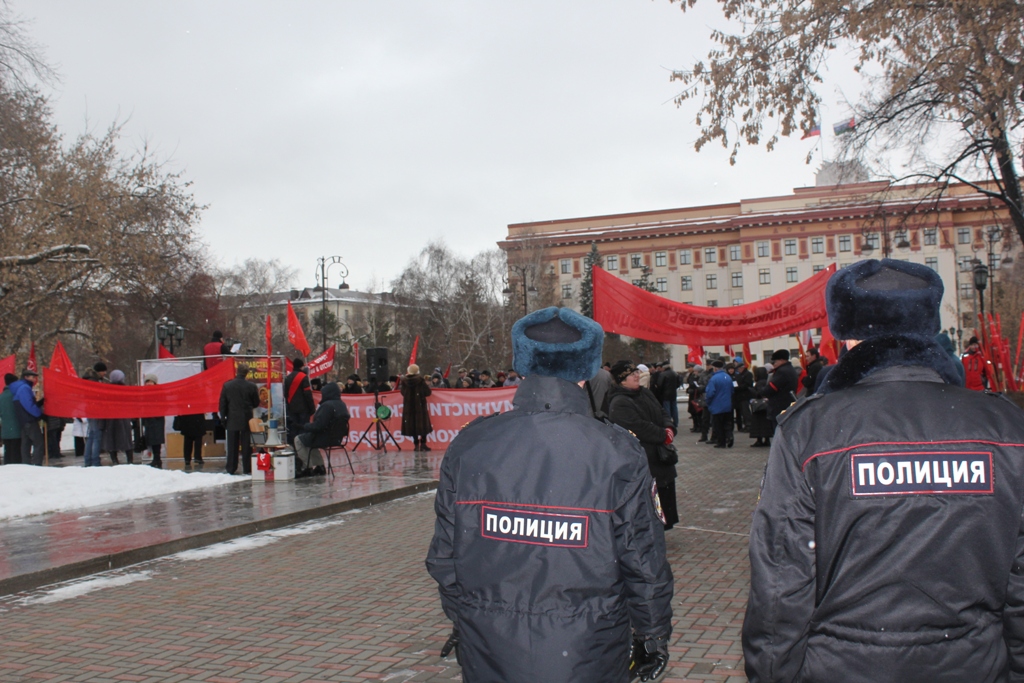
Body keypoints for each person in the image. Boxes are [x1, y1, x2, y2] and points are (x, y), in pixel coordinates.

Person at [740, 258, 1024, 683]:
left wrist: (773, 673)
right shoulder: (1005, 426)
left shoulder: (810, 429)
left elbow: (782, 577)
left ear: (849, 336)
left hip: (843, 664)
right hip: (975, 661)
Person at [426, 307, 674, 683]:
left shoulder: (471, 444)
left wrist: (467, 618)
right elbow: (642, 558)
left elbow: (446, 556)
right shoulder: (616, 449)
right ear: (585, 370)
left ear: (522, 365)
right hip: (589, 646)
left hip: (490, 644)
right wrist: (652, 634)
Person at [607, 358, 680, 530]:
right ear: (622, 379)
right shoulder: (619, 402)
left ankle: (661, 526)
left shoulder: (645, 393)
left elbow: (661, 411)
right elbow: (638, 427)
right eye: (632, 374)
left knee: (664, 496)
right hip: (643, 459)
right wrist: (663, 434)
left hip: (660, 457)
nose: (637, 376)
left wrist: (669, 428)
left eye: (636, 372)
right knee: (649, 498)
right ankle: (650, 530)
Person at [295, 381, 349, 476]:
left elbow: (318, 426)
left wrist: (305, 426)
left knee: (298, 440)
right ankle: (320, 466)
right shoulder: (342, 404)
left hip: (325, 437)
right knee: (311, 440)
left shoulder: (327, 406)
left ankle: (307, 467)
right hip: (337, 439)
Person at [219, 363, 260, 475]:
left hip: (232, 418)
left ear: (237, 371)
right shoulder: (251, 386)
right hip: (247, 418)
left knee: (232, 445)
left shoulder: (227, 385)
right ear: (246, 373)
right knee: (247, 445)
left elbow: (223, 403)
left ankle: (231, 468)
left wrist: (223, 417)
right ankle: (247, 467)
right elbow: (256, 403)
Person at [11, 369, 45, 465]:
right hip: (30, 420)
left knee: (26, 444)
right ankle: (37, 465)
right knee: (38, 443)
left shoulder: (20, 388)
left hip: (24, 421)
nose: (34, 379)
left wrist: (38, 404)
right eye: (32, 377)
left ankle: (26, 465)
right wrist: (39, 414)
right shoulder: (25, 388)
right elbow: (28, 405)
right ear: (26, 377)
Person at [763, 349, 799, 432]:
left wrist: (761, 392)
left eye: (775, 362)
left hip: (779, 406)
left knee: (779, 432)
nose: (774, 364)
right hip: (787, 404)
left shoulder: (782, 372)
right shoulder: (790, 369)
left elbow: (772, 387)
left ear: (782, 360)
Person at [400, 364, 433, 451]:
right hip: (420, 406)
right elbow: (428, 392)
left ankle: (415, 444)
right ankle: (423, 444)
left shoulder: (404, 381)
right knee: (422, 425)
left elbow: (402, 392)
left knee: (412, 425)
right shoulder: (420, 381)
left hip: (409, 406)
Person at [284, 358, 315, 446]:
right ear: (301, 366)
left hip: (292, 409)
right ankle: (303, 447)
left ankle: (294, 447)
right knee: (303, 428)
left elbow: (285, 394)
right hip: (303, 409)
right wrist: (312, 408)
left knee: (294, 429)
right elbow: (307, 394)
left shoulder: (287, 378)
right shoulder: (303, 377)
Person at [81, 363, 107, 467]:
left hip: (90, 410)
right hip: (95, 410)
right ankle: (95, 461)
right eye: (103, 371)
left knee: (91, 435)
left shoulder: (88, 379)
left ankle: (88, 460)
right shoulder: (94, 381)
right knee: (96, 436)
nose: (104, 373)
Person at [704, 359, 734, 448]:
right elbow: (732, 390)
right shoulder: (728, 377)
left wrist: (708, 401)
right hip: (727, 405)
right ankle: (730, 436)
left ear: (715, 368)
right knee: (727, 423)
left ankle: (721, 442)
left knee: (718, 425)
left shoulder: (714, 379)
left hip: (717, 405)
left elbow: (710, 393)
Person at [141, 374, 166, 468]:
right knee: (151, 439)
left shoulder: (160, 392)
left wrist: (156, 412)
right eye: (147, 382)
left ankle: (157, 458)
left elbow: (164, 405)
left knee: (157, 440)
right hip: (148, 419)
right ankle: (155, 459)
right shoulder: (144, 393)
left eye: (150, 381)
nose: (149, 384)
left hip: (157, 419)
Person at [747, 366, 773, 447]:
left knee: (758, 423)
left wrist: (751, 390)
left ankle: (759, 440)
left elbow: (759, 393)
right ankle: (767, 439)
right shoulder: (768, 381)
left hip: (759, 407)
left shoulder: (759, 383)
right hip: (767, 406)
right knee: (766, 423)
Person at [1, 373, 22, 464]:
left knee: (8, 452)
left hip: (6, 430)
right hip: (17, 428)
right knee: (16, 453)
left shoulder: (1, 396)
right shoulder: (16, 395)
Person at [733, 358, 754, 432]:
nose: (738, 370)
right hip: (740, 396)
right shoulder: (740, 375)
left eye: (738, 368)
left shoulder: (747, 374)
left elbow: (747, 384)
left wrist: (738, 387)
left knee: (746, 411)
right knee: (743, 412)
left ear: (742, 368)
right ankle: (746, 424)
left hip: (745, 395)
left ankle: (749, 425)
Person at [658, 363, 680, 429]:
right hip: (673, 393)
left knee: (667, 409)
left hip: (665, 394)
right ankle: (676, 422)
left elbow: (660, 384)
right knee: (674, 408)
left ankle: (668, 423)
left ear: (664, 368)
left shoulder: (663, 374)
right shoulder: (675, 373)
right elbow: (678, 383)